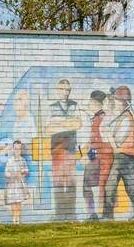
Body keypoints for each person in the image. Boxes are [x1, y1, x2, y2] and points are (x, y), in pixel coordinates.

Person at [103, 85, 134, 219]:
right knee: (118, 187)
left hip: (125, 157)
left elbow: (118, 142)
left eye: (118, 100)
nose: (116, 102)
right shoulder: (119, 116)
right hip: (121, 157)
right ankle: (109, 216)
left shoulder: (127, 117)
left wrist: (108, 134)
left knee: (128, 187)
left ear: (124, 102)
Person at [47, 78, 80, 220]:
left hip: (71, 148)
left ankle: (71, 213)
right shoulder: (51, 107)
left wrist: (59, 124)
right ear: (57, 90)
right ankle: (59, 213)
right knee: (58, 181)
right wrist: (68, 124)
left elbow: (78, 124)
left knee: (71, 180)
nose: (65, 92)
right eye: (62, 89)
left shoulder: (75, 105)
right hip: (57, 150)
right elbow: (48, 128)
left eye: (67, 90)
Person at [82, 90, 112, 220]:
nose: (89, 104)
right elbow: (95, 140)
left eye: (91, 102)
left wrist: (89, 156)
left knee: (89, 186)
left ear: (95, 103)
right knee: (92, 186)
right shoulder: (96, 118)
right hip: (97, 157)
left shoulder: (101, 120)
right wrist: (87, 144)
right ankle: (93, 213)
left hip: (98, 159)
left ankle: (93, 213)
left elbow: (103, 144)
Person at [4, 139, 29, 223]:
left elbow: (26, 171)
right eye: (16, 148)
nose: (17, 151)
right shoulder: (9, 161)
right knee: (13, 202)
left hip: (19, 185)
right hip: (12, 184)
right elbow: (6, 173)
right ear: (13, 149)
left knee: (18, 202)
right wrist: (14, 175)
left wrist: (22, 174)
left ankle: (17, 219)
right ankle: (14, 219)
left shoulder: (23, 161)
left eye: (19, 149)